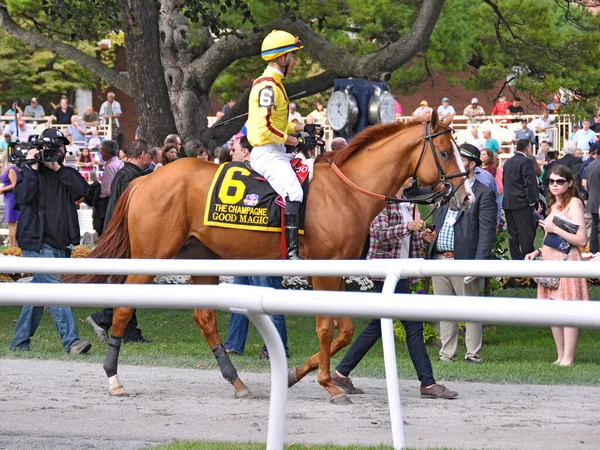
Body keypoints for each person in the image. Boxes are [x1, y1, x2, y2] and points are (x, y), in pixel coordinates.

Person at [331, 178, 458, 399]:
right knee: (412, 325)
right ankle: (427, 383)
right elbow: (378, 233)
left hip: (400, 271)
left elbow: (407, 240)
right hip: (386, 272)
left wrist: (423, 236)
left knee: (378, 326)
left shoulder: (407, 201)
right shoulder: (382, 200)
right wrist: (408, 227)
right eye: (409, 175)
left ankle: (341, 372)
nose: (413, 178)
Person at [8, 128, 91, 354]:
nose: (57, 152)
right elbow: (23, 197)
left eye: (60, 147)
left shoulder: (67, 173)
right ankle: (71, 342)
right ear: (41, 149)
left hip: (61, 244)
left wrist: (57, 168)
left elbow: (84, 191)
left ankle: (19, 342)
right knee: (55, 289)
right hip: (35, 242)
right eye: (51, 148)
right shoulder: (28, 172)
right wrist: (33, 166)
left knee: (40, 292)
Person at [247, 30, 321, 260]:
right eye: (293, 56)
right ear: (282, 58)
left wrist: (301, 128)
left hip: (277, 152)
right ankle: (291, 253)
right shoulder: (268, 87)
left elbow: (278, 123)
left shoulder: (275, 85)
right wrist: (295, 141)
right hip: (267, 153)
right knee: (294, 191)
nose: (295, 62)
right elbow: (265, 129)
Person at [426, 146, 496, 364]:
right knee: (444, 311)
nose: (457, 161)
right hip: (439, 258)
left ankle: (473, 354)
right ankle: (447, 354)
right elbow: (440, 219)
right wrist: (431, 234)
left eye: (462, 158)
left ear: (472, 164)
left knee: (470, 310)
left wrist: (478, 265)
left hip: (463, 259)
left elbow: (486, 233)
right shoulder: (447, 189)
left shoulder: (484, 193)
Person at [86, 140, 152, 344]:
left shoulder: (126, 173)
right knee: (127, 282)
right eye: (149, 154)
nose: (151, 157)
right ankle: (104, 318)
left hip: (121, 234)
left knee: (129, 281)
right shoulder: (131, 177)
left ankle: (130, 332)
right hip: (125, 236)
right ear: (142, 155)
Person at [525, 165, 588, 366]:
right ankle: (560, 356)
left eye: (560, 181)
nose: (554, 185)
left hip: (567, 263)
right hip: (550, 262)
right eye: (551, 181)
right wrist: (537, 252)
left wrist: (554, 229)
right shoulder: (553, 207)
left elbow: (582, 240)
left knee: (568, 310)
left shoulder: (575, 204)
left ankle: (568, 358)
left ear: (569, 183)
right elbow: (549, 240)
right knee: (553, 311)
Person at [502, 139, 539, 260]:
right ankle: (528, 262)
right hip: (522, 203)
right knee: (526, 234)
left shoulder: (508, 162)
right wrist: (533, 201)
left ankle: (516, 261)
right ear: (528, 148)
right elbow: (530, 183)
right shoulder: (526, 162)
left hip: (508, 202)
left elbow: (504, 182)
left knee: (513, 234)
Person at [93, 140, 122, 236]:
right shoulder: (121, 163)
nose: (100, 153)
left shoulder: (110, 166)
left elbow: (106, 191)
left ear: (106, 151)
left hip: (108, 204)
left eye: (101, 151)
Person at [583, 144, 600, 253]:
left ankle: (594, 251)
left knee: (594, 228)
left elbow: (586, 185)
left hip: (593, 199)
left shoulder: (590, 165)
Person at [0, 151, 20, 247]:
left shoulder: (11, 168)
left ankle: (14, 246)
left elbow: (14, 184)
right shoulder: (6, 169)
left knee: (13, 223)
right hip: (8, 198)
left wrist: (3, 189)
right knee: (10, 223)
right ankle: (11, 245)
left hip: (12, 198)